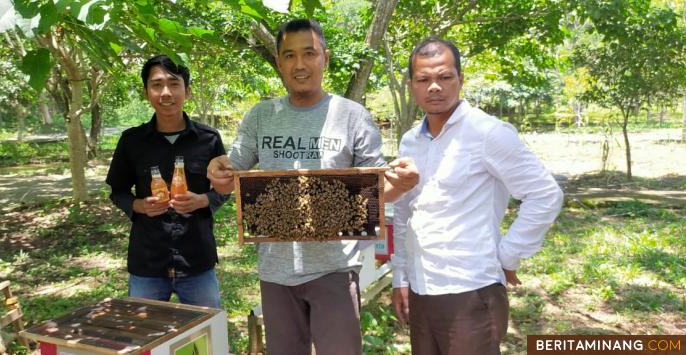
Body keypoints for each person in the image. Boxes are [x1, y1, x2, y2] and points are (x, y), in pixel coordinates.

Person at [207, 19, 419, 355]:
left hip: (334, 269)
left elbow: (377, 190)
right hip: (276, 271)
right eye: (289, 56)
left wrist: (399, 185)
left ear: (326, 57)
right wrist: (217, 170)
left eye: (309, 53)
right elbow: (232, 174)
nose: (300, 64)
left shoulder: (353, 116)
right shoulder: (261, 116)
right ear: (279, 62)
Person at [390, 37, 564, 354]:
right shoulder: (410, 142)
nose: (434, 87)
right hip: (420, 289)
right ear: (411, 85)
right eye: (423, 79)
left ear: (460, 79)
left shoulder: (487, 133)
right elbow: (404, 213)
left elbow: (545, 194)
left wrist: (508, 255)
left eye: (444, 77)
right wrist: (401, 278)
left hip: (470, 290)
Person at [105, 55, 228, 309]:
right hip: (148, 262)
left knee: (205, 337)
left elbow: (225, 188)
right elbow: (118, 191)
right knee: (145, 340)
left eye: (174, 84)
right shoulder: (131, 141)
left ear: (187, 91)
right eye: (156, 84)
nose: (165, 92)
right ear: (146, 92)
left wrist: (203, 200)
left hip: (197, 261)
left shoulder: (209, 139)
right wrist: (138, 206)